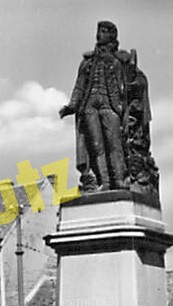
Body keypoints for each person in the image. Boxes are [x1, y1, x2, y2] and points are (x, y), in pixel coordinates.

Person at [59, 21, 131, 191]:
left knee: (114, 144)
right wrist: (71, 106)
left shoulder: (118, 61)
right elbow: (79, 86)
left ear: (112, 35)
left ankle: (119, 180)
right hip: (90, 106)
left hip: (110, 105)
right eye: (99, 31)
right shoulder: (88, 62)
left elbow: (125, 87)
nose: (100, 35)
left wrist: (123, 110)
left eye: (104, 31)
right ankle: (104, 182)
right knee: (97, 146)